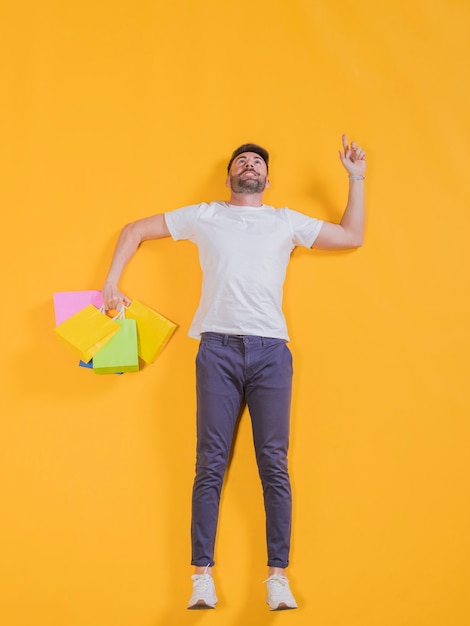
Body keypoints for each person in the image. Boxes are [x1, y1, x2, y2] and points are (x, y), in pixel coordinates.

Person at [102, 134, 366, 610]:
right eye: (242, 160)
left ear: (266, 179)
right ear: (230, 177)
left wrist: (356, 178)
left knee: (274, 464)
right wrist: (110, 282)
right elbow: (133, 230)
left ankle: (277, 577)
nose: (250, 164)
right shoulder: (205, 215)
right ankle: (201, 575)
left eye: (257, 161)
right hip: (217, 348)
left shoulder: (285, 222)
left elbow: (351, 236)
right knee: (210, 464)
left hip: (270, 351)